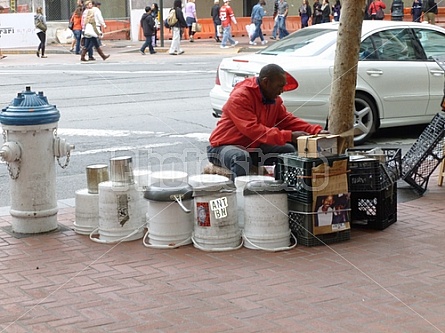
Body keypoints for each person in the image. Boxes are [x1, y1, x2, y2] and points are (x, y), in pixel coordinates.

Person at [207, 64, 328, 180]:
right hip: (222, 148)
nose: (282, 91)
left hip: (252, 147)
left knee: (288, 150)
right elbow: (253, 130)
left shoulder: (273, 99)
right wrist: (289, 135)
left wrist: (315, 130)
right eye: (279, 86)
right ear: (266, 82)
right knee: (241, 158)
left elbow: (288, 120)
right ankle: (241, 197)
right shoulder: (240, 97)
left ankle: (284, 188)